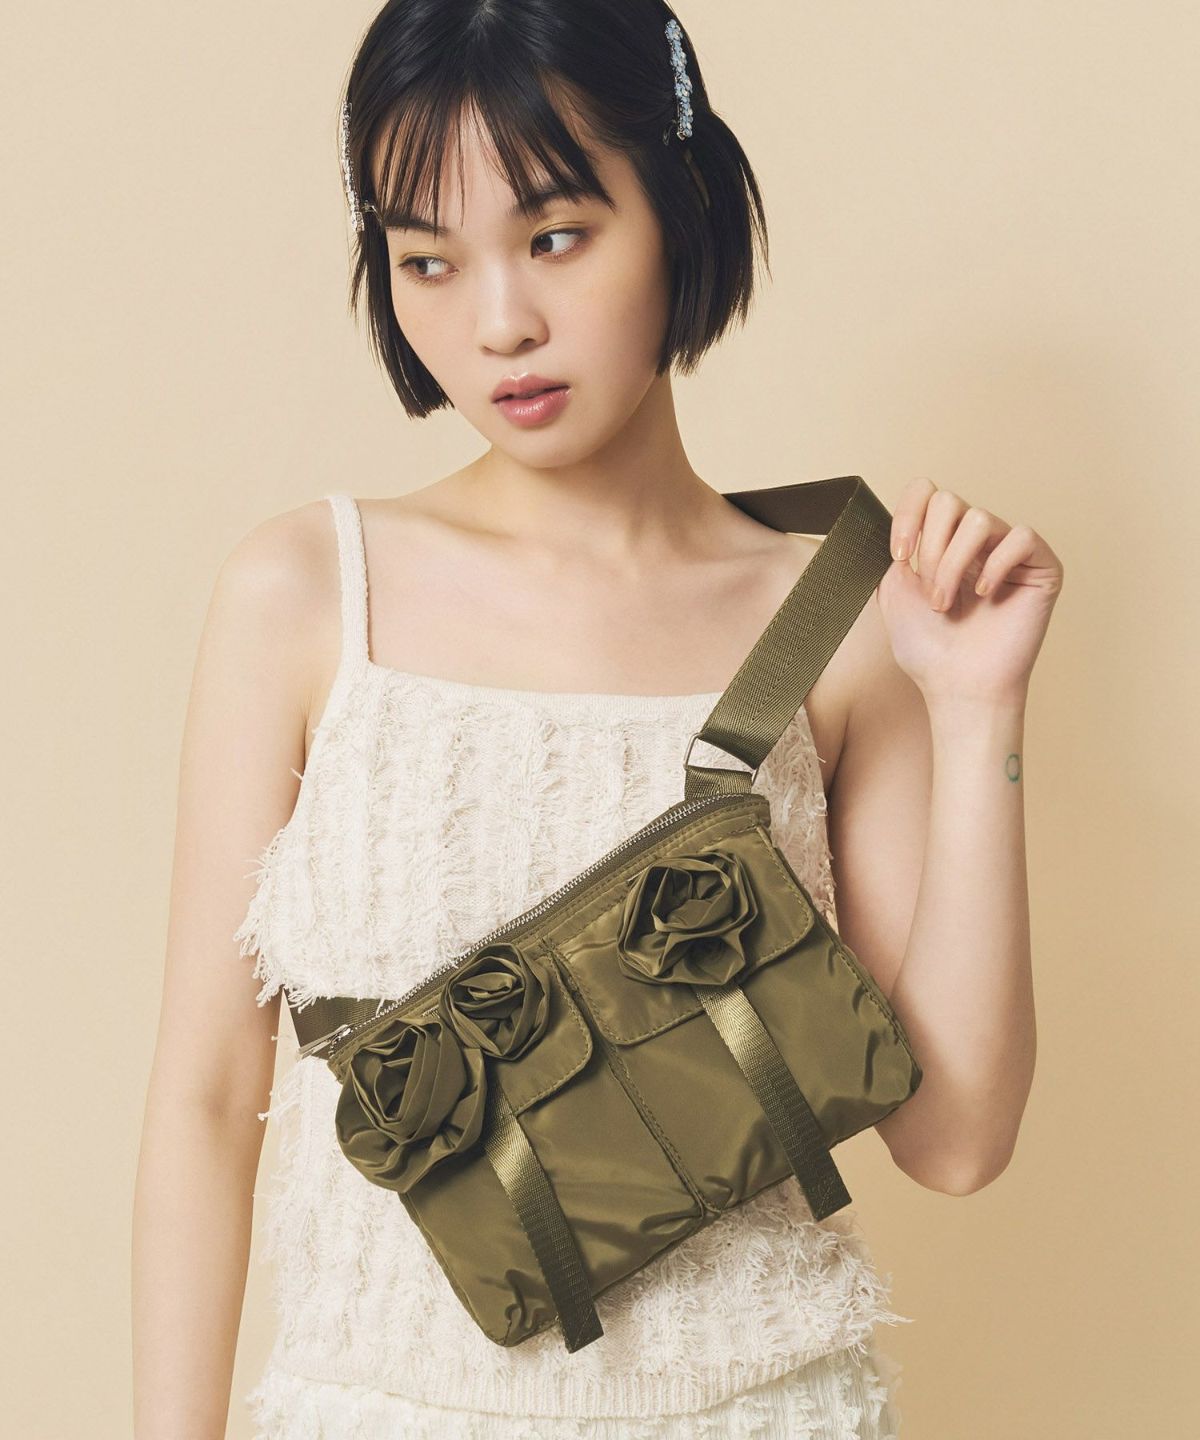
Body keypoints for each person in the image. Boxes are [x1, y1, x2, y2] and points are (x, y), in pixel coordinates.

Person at [132, 2, 1061, 1436]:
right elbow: (206, 1099)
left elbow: (955, 1137)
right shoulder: (306, 596)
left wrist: (978, 703)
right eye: (428, 261)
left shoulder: (837, 615)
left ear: (680, 205)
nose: (497, 321)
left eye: (556, 236)